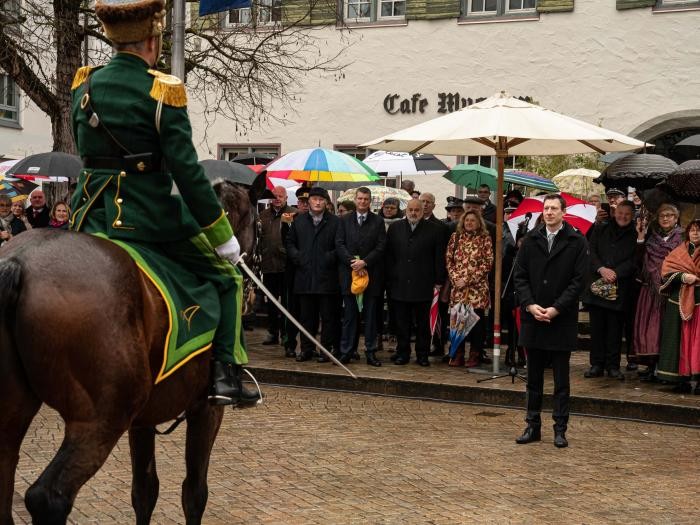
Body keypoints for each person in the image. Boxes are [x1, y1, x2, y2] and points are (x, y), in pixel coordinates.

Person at [70, 0, 258, 406]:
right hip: (145, 217)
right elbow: (188, 173)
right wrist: (222, 234)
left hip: (89, 214)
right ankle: (227, 373)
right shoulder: (163, 90)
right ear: (153, 41)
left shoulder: (83, 83)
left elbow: (84, 148)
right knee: (227, 279)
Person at [514, 194, 589, 448]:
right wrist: (530, 304)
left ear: (563, 212)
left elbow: (579, 281)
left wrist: (557, 308)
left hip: (561, 319)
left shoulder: (577, 241)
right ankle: (532, 425)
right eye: (545, 209)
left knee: (561, 381)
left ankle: (560, 428)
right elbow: (520, 276)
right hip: (533, 317)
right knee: (533, 379)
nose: (549, 212)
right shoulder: (531, 240)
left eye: (554, 209)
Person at [385, 199, 446, 366]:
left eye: (417, 210)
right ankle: (402, 353)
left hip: (424, 284)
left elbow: (439, 257)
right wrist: (391, 277)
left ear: (422, 211)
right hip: (400, 284)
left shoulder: (434, 229)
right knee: (402, 323)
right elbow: (389, 255)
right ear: (406, 211)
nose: (413, 213)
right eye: (410, 210)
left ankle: (422, 354)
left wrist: (439, 280)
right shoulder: (395, 228)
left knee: (423, 324)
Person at [581, 200, 638, 379]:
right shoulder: (601, 227)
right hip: (598, 284)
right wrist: (601, 269)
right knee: (597, 328)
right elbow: (591, 249)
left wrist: (616, 272)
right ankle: (596, 364)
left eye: (627, 214)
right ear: (615, 213)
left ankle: (613, 365)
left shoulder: (636, 234)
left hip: (619, 287)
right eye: (620, 213)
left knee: (615, 329)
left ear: (632, 215)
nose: (623, 216)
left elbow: (634, 260)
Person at [285, 186, 341, 362]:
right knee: (306, 317)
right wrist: (298, 257)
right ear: (308, 201)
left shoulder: (335, 222)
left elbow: (340, 245)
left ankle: (326, 350)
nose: (317, 202)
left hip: (326, 278)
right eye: (314, 199)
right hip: (305, 277)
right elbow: (290, 243)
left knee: (328, 318)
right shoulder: (299, 221)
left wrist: (328, 258)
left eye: (321, 200)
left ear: (326, 203)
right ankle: (307, 349)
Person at [630, 203, 683, 378]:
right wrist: (640, 237)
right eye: (662, 216)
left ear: (676, 218)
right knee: (650, 330)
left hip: (673, 290)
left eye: (669, 215)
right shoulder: (650, 238)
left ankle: (667, 367)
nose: (666, 218)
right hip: (651, 291)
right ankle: (651, 365)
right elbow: (638, 260)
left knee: (668, 330)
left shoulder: (682, 238)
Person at [336, 187, 386, 366]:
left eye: (366, 199)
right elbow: (339, 244)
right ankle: (347, 351)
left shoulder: (378, 222)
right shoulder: (344, 220)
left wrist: (364, 262)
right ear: (355, 200)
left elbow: (381, 247)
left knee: (371, 317)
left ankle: (371, 352)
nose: (363, 201)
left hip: (371, 275)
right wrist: (352, 262)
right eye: (360, 198)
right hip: (349, 275)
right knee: (350, 316)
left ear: (370, 201)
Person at [445, 210, 493, 368]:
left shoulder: (485, 239)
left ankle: (475, 354)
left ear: (479, 222)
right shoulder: (455, 237)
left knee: (475, 324)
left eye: (473, 220)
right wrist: (456, 279)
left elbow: (488, 263)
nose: (469, 223)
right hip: (458, 288)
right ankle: (457, 353)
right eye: (467, 220)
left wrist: (468, 280)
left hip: (477, 290)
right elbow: (449, 261)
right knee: (457, 321)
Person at [655, 219, 700, 389]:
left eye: (698, 230)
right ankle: (681, 379)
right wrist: (683, 277)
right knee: (680, 340)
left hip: (699, 303)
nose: (695, 233)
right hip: (679, 301)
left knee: (698, 342)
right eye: (692, 230)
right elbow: (667, 271)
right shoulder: (679, 251)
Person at [259, 186, 296, 347]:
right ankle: (272, 332)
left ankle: (286, 333)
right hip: (268, 265)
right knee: (271, 301)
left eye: (281, 196)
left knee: (286, 302)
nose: (277, 198)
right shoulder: (263, 215)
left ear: (286, 198)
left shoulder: (293, 213)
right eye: (275, 196)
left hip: (286, 265)